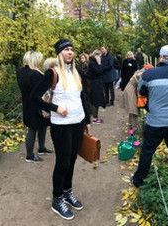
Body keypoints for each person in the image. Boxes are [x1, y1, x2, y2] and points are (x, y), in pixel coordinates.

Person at [31, 39, 90, 220]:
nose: (70, 53)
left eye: (72, 49)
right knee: (63, 162)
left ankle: (67, 191)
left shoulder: (76, 73)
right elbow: (34, 97)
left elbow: (82, 97)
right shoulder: (52, 73)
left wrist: (87, 120)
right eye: (66, 50)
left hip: (77, 123)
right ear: (59, 53)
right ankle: (57, 199)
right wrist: (56, 108)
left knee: (71, 160)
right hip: (61, 126)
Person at [131, 45, 168, 188]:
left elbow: (141, 91)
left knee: (147, 150)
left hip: (156, 121)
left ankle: (139, 180)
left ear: (161, 58)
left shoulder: (150, 74)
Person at [16, 51, 54, 163]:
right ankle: (30, 155)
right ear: (35, 60)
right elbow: (42, 91)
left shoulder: (20, 71)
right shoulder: (35, 74)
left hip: (27, 104)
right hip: (36, 104)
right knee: (33, 129)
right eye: (39, 59)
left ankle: (41, 148)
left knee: (40, 126)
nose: (40, 61)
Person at [121, 64, 153, 130]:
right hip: (131, 91)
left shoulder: (140, 72)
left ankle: (131, 126)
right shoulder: (141, 74)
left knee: (132, 109)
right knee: (133, 109)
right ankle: (134, 128)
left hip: (131, 89)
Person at [87, 50, 106, 123]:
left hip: (97, 82)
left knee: (97, 100)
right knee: (95, 100)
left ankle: (96, 116)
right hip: (95, 83)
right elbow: (99, 71)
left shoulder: (92, 62)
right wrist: (99, 63)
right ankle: (94, 117)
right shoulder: (93, 63)